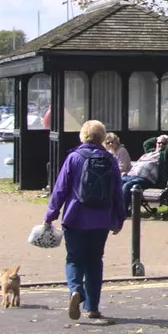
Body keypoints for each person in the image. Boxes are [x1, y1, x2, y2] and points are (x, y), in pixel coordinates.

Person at [44, 119, 127, 323]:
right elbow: (118, 191)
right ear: (102, 137)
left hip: (75, 217)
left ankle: (75, 290)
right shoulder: (109, 160)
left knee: (74, 258)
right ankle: (92, 307)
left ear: (82, 136)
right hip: (102, 219)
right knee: (95, 261)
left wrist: (50, 215)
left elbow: (60, 189)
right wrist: (119, 218)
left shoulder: (74, 158)